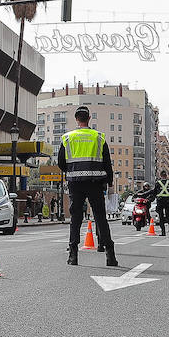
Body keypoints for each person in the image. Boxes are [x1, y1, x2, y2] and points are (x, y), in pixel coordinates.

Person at [57, 106, 118, 266]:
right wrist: (109, 180)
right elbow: (107, 163)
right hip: (95, 183)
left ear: (76, 119)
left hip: (75, 183)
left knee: (75, 219)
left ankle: (73, 256)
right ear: (89, 118)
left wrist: (73, 170)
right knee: (100, 218)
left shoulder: (67, 138)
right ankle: (110, 255)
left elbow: (61, 163)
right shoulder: (99, 137)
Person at [152, 171, 169, 235]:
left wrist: (155, 198)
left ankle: (163, 232)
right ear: (166, 176)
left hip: (160, 201)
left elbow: (154, 193)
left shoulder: (157, 183)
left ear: (160, 176)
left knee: (161, 217)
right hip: (168, 201)